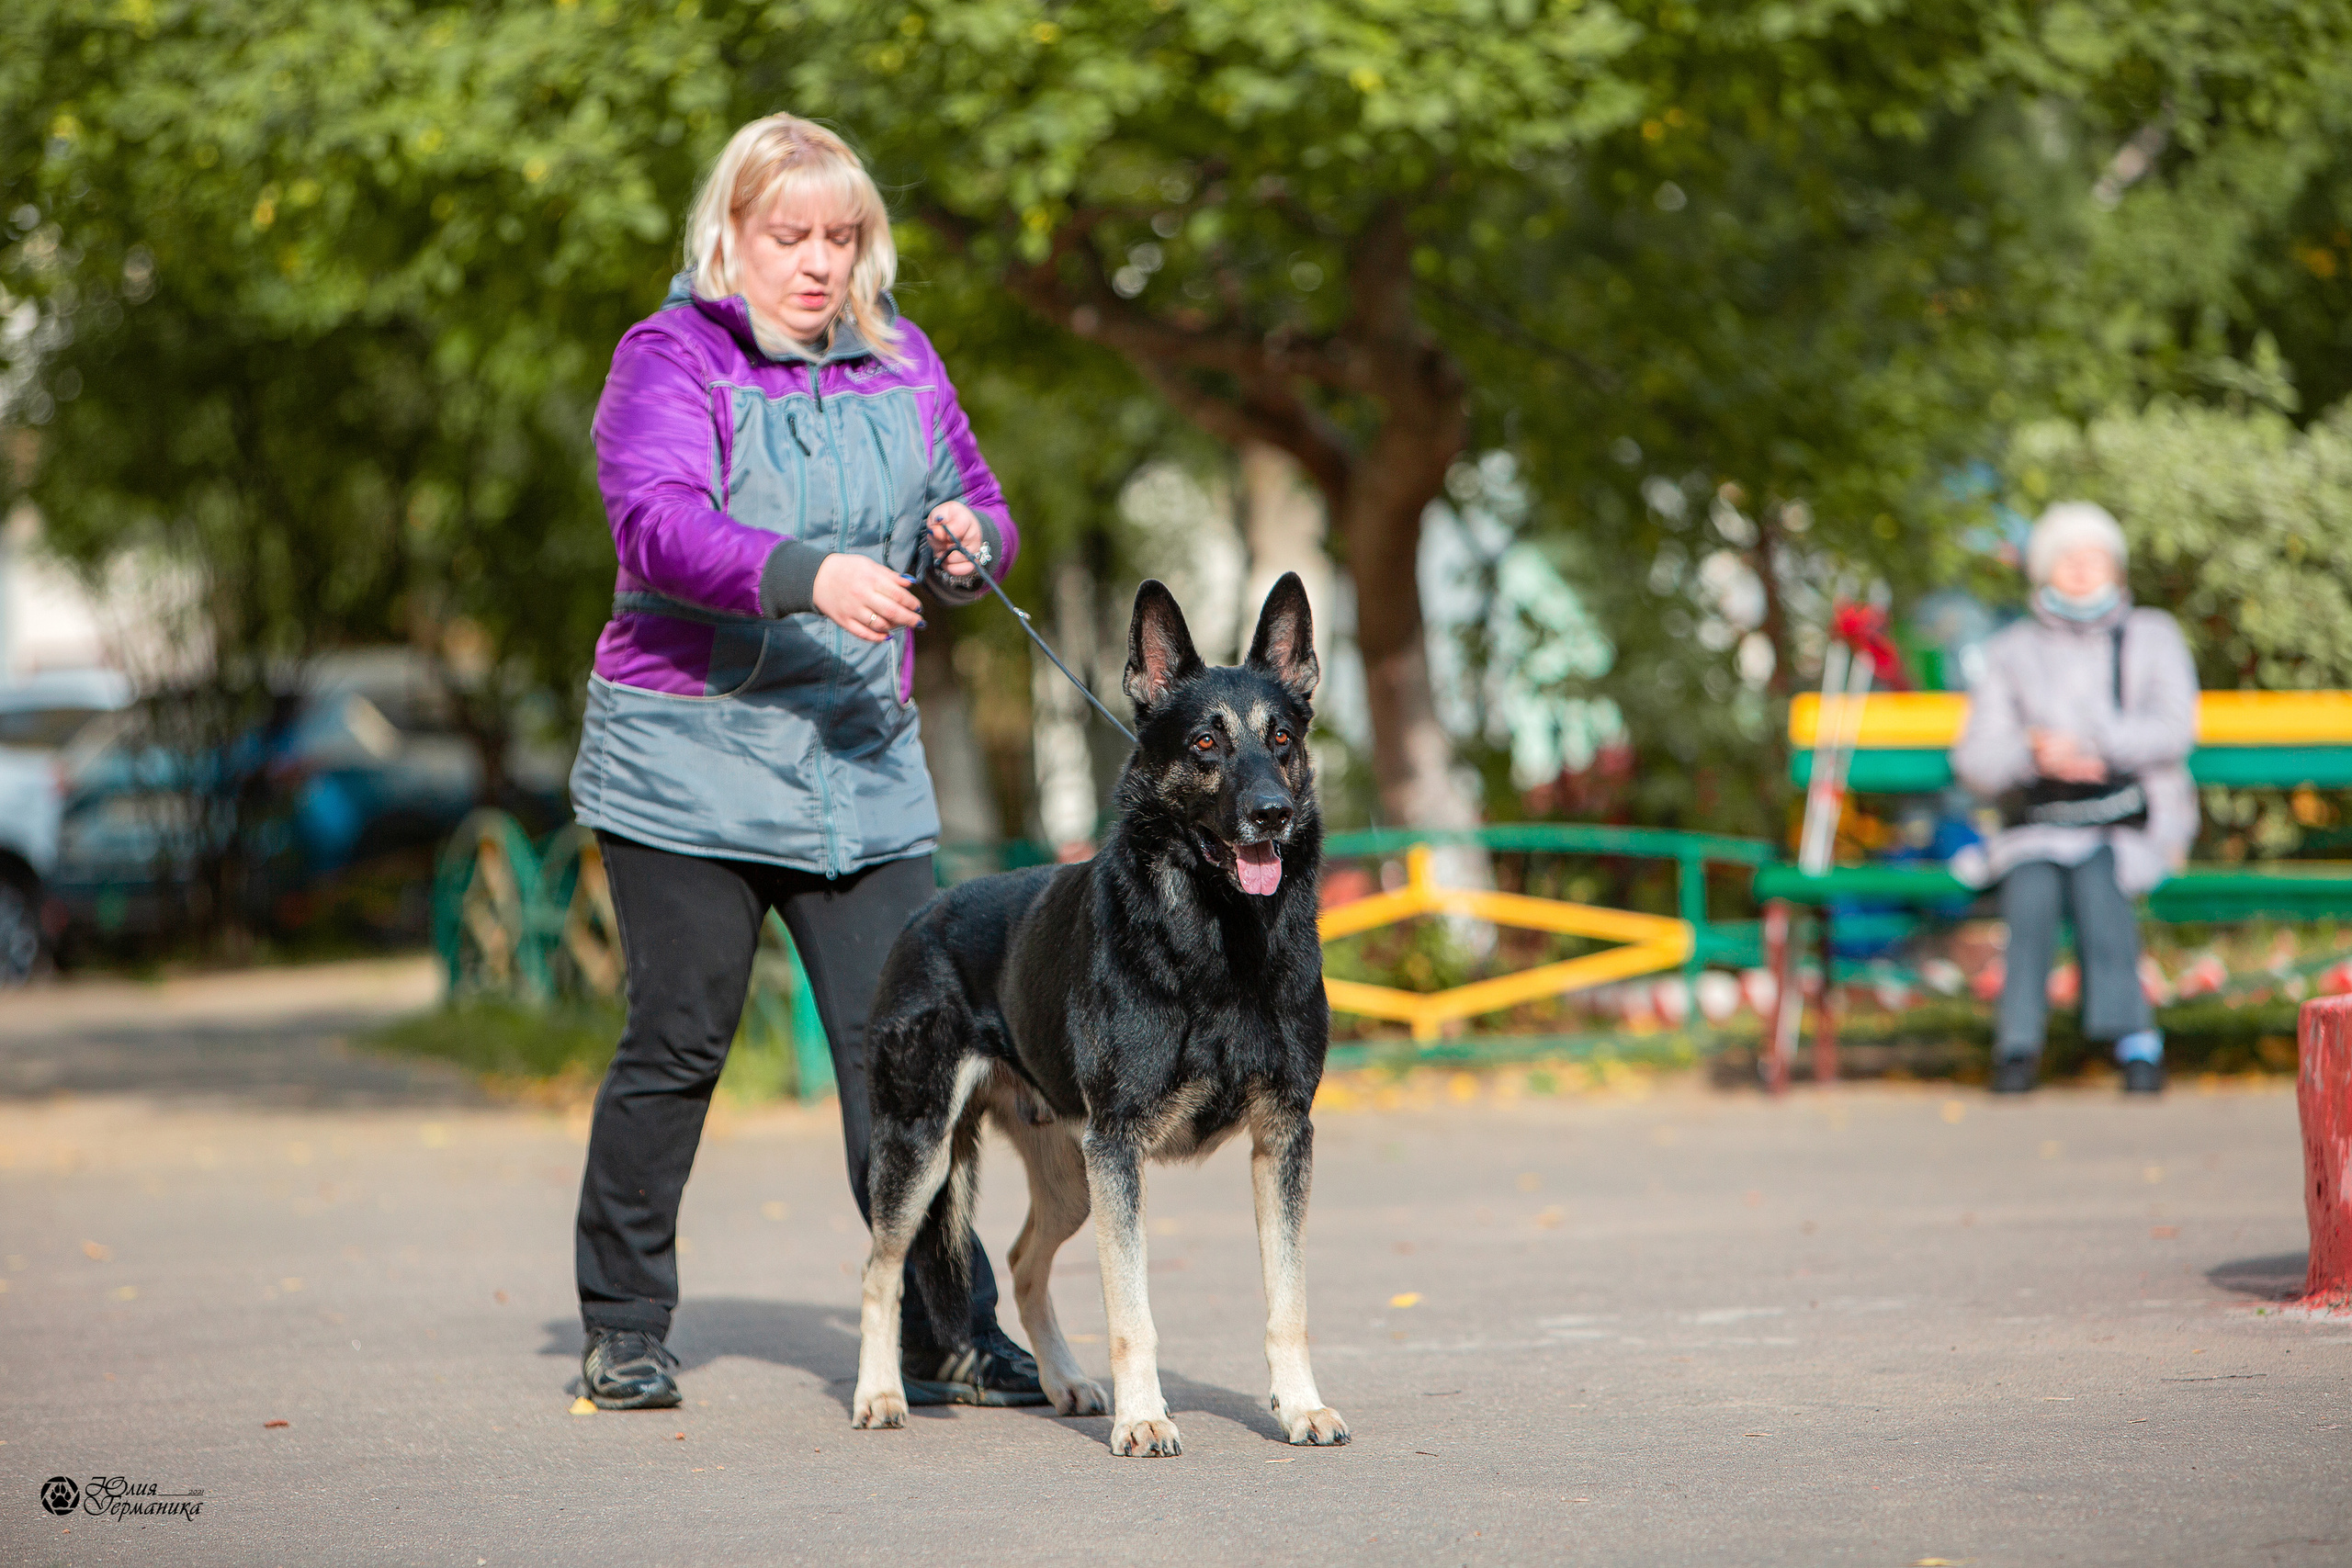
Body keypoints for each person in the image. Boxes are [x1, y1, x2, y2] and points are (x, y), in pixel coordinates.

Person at [565, 114, 1041, 1410]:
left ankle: (952, 1325)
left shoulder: (902, 358)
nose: (819, 263)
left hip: (859, 765)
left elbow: (983, 502)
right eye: (791, 236)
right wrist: (807, 574)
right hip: (687, 764)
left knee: (917, 1047)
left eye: (843, 236)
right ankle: (623, 1320)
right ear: (730, 236)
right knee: (677, 1035)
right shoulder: (669, 356)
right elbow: (658, 525)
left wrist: (966, 544)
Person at [1950, 502, 2199, 1095]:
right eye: (2068, 559)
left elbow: (2174, 728)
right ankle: (2018, 1046)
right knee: (2032, 886)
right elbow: (1975, 758)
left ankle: (2130, 1036)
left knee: (2098, 874)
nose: (2083, 571)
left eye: (2095, 558)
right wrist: (2032, 752)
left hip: (2129, 820)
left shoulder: (2153, 635)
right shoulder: (2011, 650)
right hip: (2039, 821)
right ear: (2043, 571)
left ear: (2116, 566)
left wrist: (2096, 749)